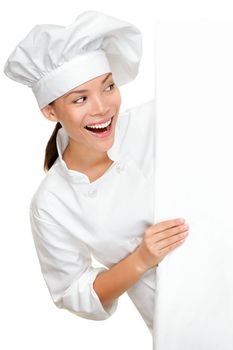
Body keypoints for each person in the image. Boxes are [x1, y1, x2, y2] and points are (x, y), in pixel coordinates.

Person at [3, 10, 189, 336]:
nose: (102, 108)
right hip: (184, 327)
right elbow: (73, 293)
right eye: (80, 99)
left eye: (108, 87)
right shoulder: (52, 203)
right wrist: (141, 259)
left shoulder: (163, 117)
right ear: (50, 111)